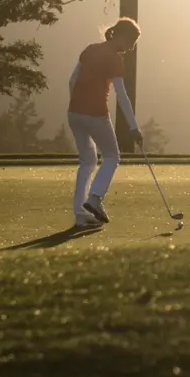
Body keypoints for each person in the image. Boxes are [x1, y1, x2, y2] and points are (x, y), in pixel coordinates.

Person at [67, 17, 143, 229]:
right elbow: (122, 95)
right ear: (123, 37)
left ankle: (81, 215)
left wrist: (76, 103)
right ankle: (94, 199)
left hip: (74, 112)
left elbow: (72, 80)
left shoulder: (90, 49)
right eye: (131, 43)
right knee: (111, 156)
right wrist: (133, 127)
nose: (130, 49)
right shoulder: (115, 58)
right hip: (96, 113)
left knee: (88, 161)